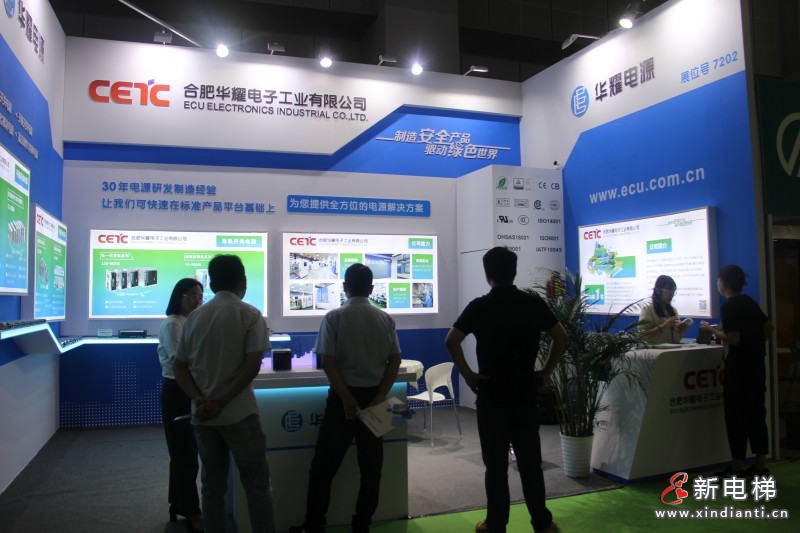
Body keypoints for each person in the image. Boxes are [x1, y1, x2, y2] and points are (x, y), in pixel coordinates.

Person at [445, 247, 566, 533]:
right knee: (531, 463)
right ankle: (542, 523)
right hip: (524, 393)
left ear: (487, 274)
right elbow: (560, 337)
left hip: (491, 395)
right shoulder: (532, 303)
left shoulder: (479, 306)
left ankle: (496, 523)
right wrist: (546, 370)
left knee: (496, 466)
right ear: (514, 271)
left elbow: (451, 341)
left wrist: (469, 375)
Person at [290, 263, 402, 533]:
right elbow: (395, 360)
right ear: (372, 289)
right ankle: (362, 524)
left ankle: (314, 525)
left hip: (342, 399)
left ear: (344, 288)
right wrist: (381, 395)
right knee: (372, 468)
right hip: (375, 399)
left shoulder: (334, 317)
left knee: (323, 467)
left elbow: (327, 362)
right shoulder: (385, 319)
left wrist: (346, 397)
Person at [173, 255, 275, 533]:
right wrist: (222, 401)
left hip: (203, 417)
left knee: (211, 487)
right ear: (243, 281)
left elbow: (179, 366)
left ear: (211, 283)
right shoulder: (250, 314)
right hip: (240, 414)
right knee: (256, 486)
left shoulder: (194, 317)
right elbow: (252, 366)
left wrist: (199, 399)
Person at [699, 265, 773, 477]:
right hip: (757, 366)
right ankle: (760, 465)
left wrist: (710, 329)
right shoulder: (749, 302)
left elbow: (734, 339)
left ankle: (736, 466)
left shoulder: (730, 306)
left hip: (739, 369)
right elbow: (769, 326)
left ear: (724, 282)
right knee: (757, 415)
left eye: (718, 280)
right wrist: (757, 343)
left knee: (737, 417)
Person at [157, 278, 205, 532]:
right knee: (184, 454)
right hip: (177, 391)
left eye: (200, 297)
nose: (197, 301)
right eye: (192, 296)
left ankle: (179, 504)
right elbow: (181, 362)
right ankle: (193, 512)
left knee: (184, 453)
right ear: (179, 297)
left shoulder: (190, 321)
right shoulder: (173, 324)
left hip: (188, 389)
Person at [639, 275, 690, 344]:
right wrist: (663, 326)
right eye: (668, 291)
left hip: (672, 349)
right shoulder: (648, 309)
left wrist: (681, 331)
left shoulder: (673, 311)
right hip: (654, 349)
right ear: (658, 291)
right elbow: (641, 336)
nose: (671, 295)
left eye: (673, 292)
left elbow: (676, 338)